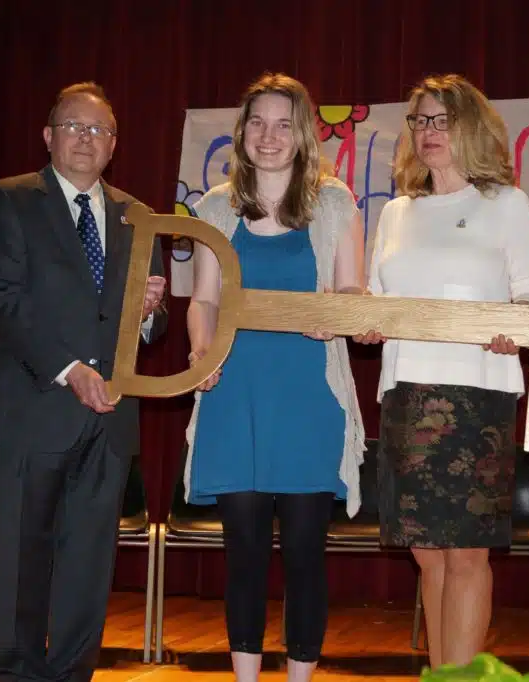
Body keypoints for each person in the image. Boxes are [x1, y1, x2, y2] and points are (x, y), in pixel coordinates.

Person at [0, 82, 168, 682]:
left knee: (87, 565)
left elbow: (152, 332)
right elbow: (1, 299)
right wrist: (69, 369)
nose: (86, 139)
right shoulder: (9, 200)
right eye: (74, 127)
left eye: (99, 130)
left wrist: (151, 314)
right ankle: (15, 674)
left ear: (114, 144)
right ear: (49, 135)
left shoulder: (140, 216)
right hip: (35, 408)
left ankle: (72, 674)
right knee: (21, 563)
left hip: (109, 421)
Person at [357, 73, 529, 668]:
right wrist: (367, 321)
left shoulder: (506, 204)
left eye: (442, 120)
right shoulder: (395, 212)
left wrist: (513, 328)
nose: (429, 132)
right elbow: (372, 299)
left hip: (478, 394)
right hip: (406, 394)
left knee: (466, 554)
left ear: (473, 128)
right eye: (420, 121)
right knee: (428, 556)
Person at [184, 72, 367, 682]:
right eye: (257, 122)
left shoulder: (335, 202)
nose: (269, 135)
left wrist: (335, 316)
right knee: (244, 554)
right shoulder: (214, 205)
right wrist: (199, 353)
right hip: (234, 393)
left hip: (309, 395)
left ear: (303, 132)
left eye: (283, 123)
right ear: (242, 131)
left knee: (306, 555)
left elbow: (351, 292)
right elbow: (202, 301)